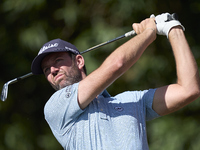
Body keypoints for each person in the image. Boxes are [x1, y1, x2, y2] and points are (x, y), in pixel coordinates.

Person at [31, 13, 200, 150]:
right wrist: (149, 33)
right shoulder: (55, 107)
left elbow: (188, 90)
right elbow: (116, 66)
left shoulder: (131, 101)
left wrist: (173, 28)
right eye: (46, 70)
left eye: (58, 61)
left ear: (80, 61)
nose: (52, 70)